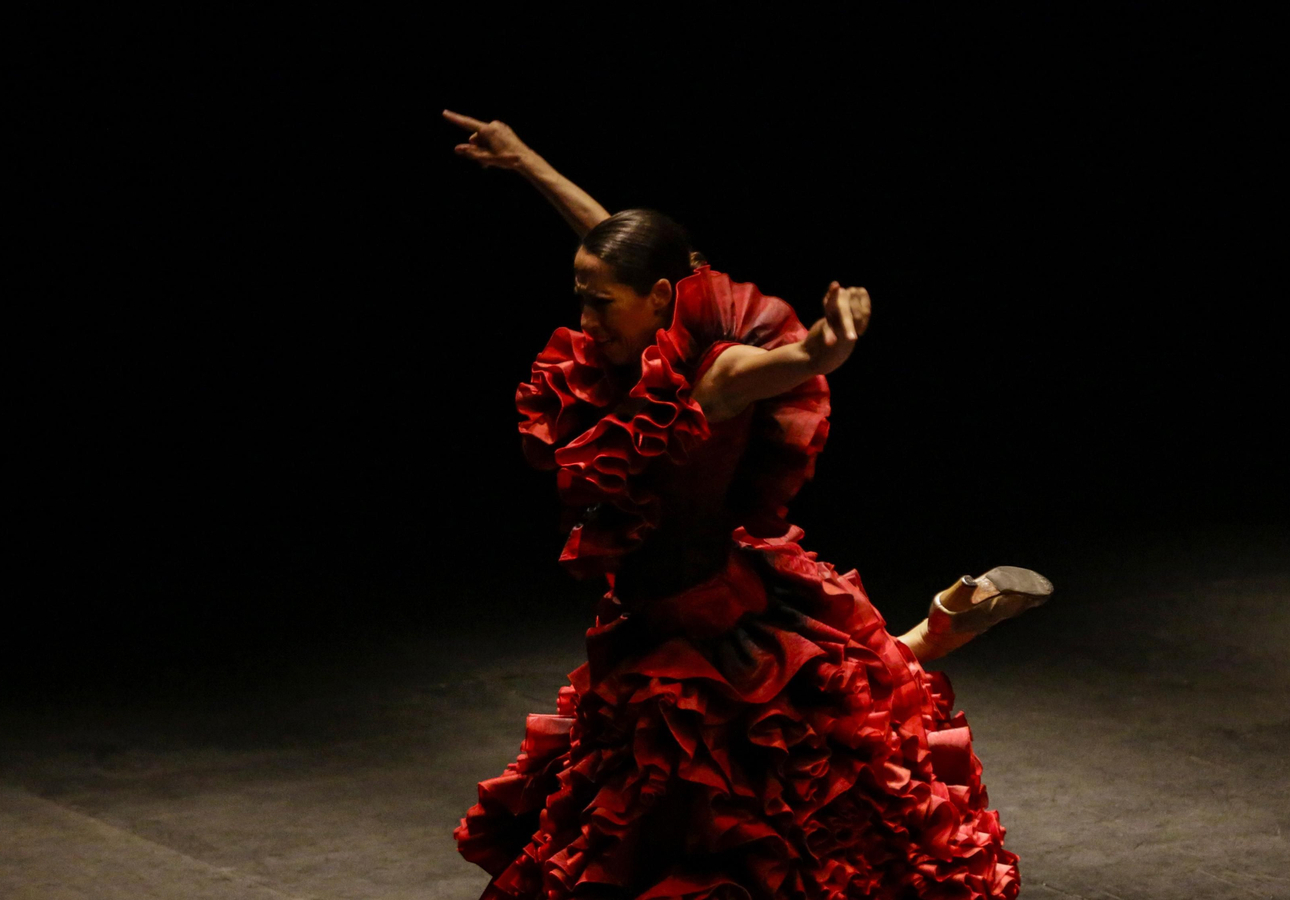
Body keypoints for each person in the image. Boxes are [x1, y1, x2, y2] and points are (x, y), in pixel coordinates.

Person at [443, 110, 1053, 900]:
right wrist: (523, 159)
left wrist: (832, 343)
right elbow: (614, 237)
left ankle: (943, 624)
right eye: (581, 298)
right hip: (655, 608)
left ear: (658, 297)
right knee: (729, 752)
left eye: (599, 303)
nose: (586, 321)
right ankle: (943, 619)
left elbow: (796, 359)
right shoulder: (652, 321)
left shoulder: (720, 372)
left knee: (794, 768)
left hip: (704, 617)